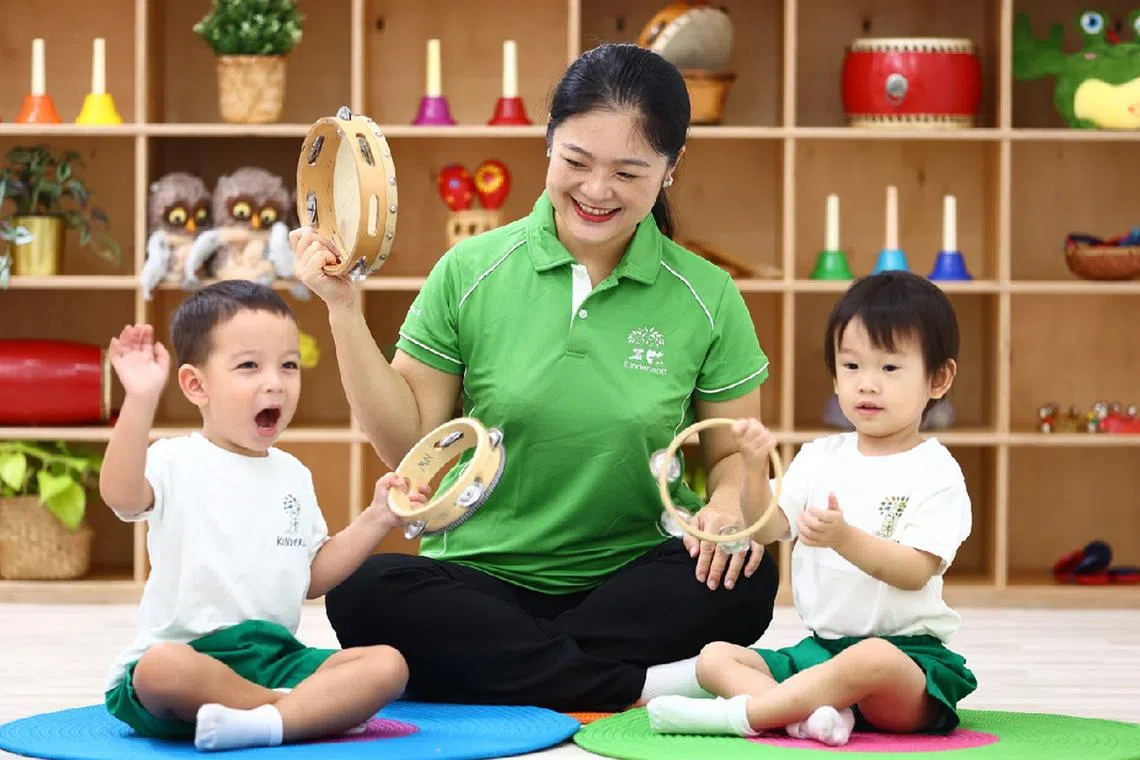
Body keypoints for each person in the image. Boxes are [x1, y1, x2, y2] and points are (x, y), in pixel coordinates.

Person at [288, 42, 780, 712]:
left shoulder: (707, 295)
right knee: (363, 594)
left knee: (746, 581)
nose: (597, 191)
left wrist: (724, 505)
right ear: (548, 143)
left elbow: (730, 457)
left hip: (632, 575)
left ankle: (490, 664)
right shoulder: (471, 270)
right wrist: (342, 308)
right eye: (576, 161)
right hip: (481, 574)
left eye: (628, 172)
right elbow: (407, 447)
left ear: (670, 169)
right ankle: (646, 683)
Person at [645, 271, 978, 745]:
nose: (867, 385)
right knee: (715, 658)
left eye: (889, 369)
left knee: (871, 659)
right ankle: (811, 717)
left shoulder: (937, 472)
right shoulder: (820, 456)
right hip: (821, 653)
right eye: (851, 366)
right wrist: (755, 468)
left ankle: (746, 715)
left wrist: (843, 538)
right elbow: (765, 528)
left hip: (905, 663)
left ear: (938, 379)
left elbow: (913, 572)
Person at [99, 279, 423, 752]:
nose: (275, 381)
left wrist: (378, 516)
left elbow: (311, 578)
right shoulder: (175, 460)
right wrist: (141, 399)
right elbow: (121, 496)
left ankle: (261, 721)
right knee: (160, 669)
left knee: (388, 665)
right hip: (193, 660)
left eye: (288, 366)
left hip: (276, 658)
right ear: (196, 385)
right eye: (249, 366)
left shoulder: (293, 474)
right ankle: (290, 712)